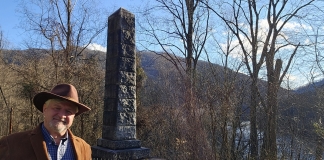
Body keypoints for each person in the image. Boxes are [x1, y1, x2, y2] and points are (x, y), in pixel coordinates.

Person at [0, 83, 92, 160]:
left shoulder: (84, 148)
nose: (61, 115)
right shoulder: (11, 144)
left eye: (68, 111)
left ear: (74, 116)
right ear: (45, 109)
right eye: (57, 108)